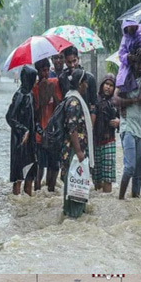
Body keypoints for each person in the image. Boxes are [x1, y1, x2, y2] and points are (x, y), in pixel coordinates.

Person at [114, 46, 141, 199]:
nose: (140, 66)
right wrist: (134, 100)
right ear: (132, 63)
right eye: (138, 63)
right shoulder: (124, 78)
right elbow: (116, 100)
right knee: (130, 167)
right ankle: (121, 198)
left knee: (140, 170)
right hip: (128, 125)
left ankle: (135, 196)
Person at [60, 69, 95, 218]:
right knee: (75, 181)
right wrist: (79, 151)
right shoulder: (74, 102)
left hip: (76, 149)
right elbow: (72, 128)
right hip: (75, 150)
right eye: (85, 82)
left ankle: (74, 213)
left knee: (76, 180)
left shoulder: (73, 98)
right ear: (80, 84)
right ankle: (73, 214)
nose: (87, 85)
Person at [6, 65, 38, 196]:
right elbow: (9, 117)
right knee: (19, 175)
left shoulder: (30, 94)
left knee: (30, 173)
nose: (35, 81)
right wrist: (23, 130)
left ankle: (28, 204)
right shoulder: (19, 95)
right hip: (20, 140)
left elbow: (33, 118)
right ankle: (17, 201)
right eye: (33, 78)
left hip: (30, 140)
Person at [32, 58, 63, 192]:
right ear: (37, 72)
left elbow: (60, 106)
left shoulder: (54, 83)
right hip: (39, 134)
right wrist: (43, 97)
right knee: (39, 165)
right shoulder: (34, 88)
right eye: (42, 71)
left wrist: (51, 93)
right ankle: (37, 190)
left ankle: (51, 190)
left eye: (46, 70)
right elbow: (34, 114)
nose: (45, 73)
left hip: (54, 133)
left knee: (54, 165)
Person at [93, 74, 120, 193]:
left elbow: (123, 117)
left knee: (108, 177)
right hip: (96, 142)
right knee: (97, 177)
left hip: (109, 141)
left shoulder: (116, 102)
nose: (108, 87)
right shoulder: (95, 99)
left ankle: (106, 197)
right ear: (102, 85)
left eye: (111, 85)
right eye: (106, 84)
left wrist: (119, 121)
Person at [58, 46, 97, 129]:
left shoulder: (89, 78)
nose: (72, 65)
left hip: (86, 121)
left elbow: (94, 105)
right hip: (68, 123)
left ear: (78, 59)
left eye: (74, 61)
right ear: (65, 62)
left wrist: (90, 128)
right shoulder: (62, 79)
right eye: (69, 62)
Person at [116, 20, 141, 94]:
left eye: (134, 27)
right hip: (129, 64)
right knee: (124, 77)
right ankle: (125, 91)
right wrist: (129, 57)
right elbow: (121, 54)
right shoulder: (124, 39)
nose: (132, 29)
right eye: (130, 27)